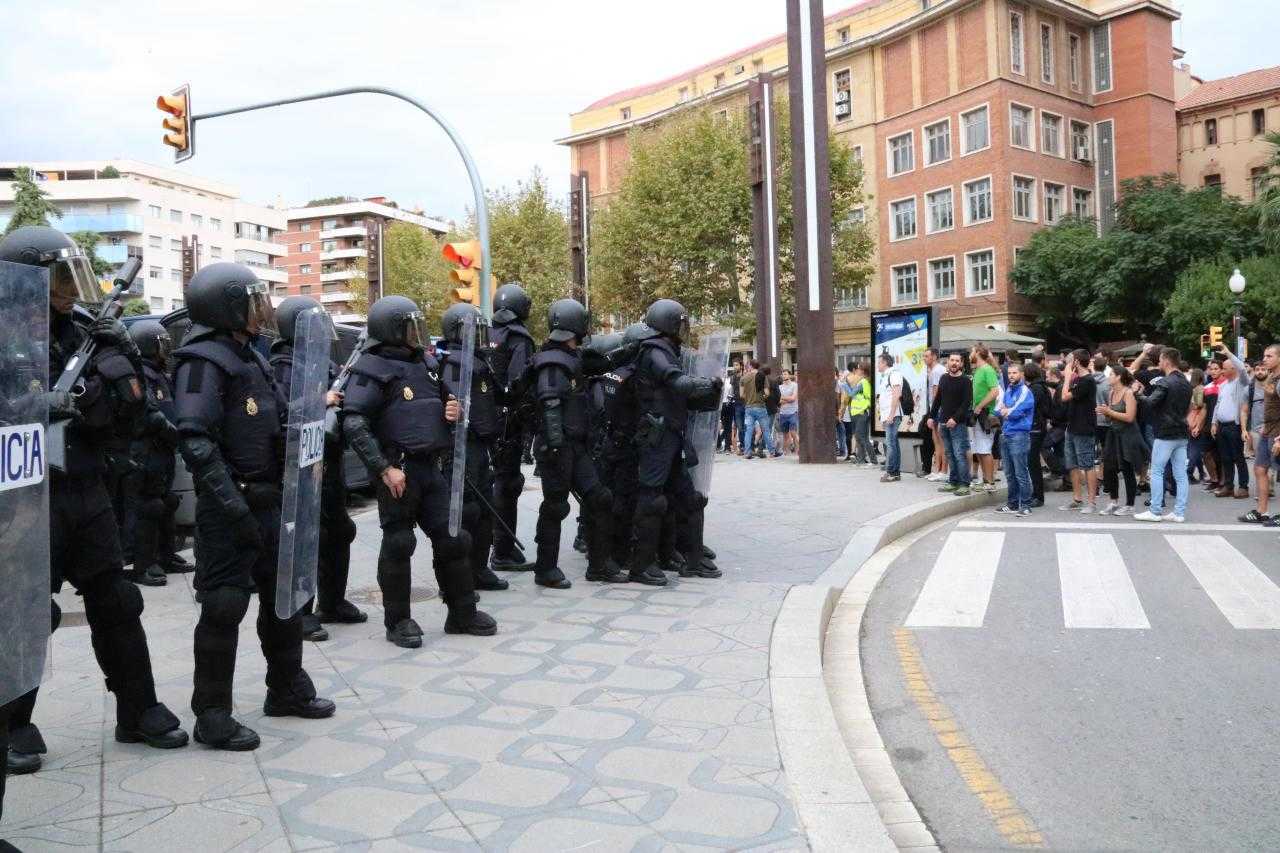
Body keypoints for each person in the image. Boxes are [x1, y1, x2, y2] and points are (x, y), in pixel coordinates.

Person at [0, 226, 189, 779]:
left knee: (118, 600)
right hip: (20, 498)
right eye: (59, 278)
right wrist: (33, 404)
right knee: (24, 615)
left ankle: (138, 709)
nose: (69, 290)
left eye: (72, 276)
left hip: (85, 487)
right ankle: (11, 724)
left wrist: (121, 351)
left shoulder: (86, 330)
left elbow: (131, 415)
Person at [173, 262, 334, 750]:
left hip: (271, 499)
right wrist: (233, 505)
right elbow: (195, 441)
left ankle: (286, 689)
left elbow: (276, 420)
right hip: (230, 506)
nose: (262, 310)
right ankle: (212, 714)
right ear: (225, 307)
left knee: (285, 599)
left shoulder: (252, 358)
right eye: (252, 300)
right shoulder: (201, 361)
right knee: (225, 605)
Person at [341, 295, 496, 646]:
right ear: (392, 330)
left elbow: (444, 402)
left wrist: (451, 410)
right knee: (399, 543)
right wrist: (383, 469)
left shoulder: (427, 363)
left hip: (431, 467)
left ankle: (462, 613)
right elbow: (354, 423)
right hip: (398, 471)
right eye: (410, 327)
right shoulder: (369, 368)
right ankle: (398, 622)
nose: (417, 333)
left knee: (454, 538)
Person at [268, 297, 368, 641]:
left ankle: (333, 601)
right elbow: (279, 414)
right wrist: (318, 400)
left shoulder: (321, 363)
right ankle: (302, 611)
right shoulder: (282, 365)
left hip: (329, 461)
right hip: (300, 464)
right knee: (308, 537)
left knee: (339, 531)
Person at [627, 299, 723, 583]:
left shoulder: (668, 350)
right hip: (657, 438)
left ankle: (693, 559)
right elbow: (678, 383)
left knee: (690, 499)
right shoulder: (654, 351)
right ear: (669, 324)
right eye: (681, 324)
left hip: (671, 435)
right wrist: (708, 384)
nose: (684, 329)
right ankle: (641, 565)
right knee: (652, 500)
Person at [526, 298, 621, 587]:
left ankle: (599, 566)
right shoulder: (552, 362)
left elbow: (601, 363)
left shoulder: (571, 357)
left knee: (599, 498)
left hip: (575, 446)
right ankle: (545, 569)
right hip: (558, 448)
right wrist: (556, 446)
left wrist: (633, 348)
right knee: (555, 507)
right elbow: (550, 403)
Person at [438, 303, 514, 593]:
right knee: (466, 512)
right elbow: (449, 403)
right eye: (475, 331)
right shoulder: (453, 363)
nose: (481, 337)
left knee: (484, 511)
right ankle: (459, 578)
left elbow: (500, 397)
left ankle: (479, 570)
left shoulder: (480, 361)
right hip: (461, 445)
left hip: (482, 444)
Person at [122, 320, 181, 588]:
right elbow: (146, 413)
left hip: (164, 449)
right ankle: (144, 564)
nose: (165, 349)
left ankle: (166, 556)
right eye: (161, 344)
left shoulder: (160, 373)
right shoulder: (140, 374)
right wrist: (169, 430)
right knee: (149, 506)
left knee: (167, 502)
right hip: (146, 451)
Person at [488, 283, 537, 572]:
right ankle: (502, 551)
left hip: (486, 419)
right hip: (509, 420)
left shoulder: (487, 332)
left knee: (497, 481)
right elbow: (520, 381)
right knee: (508, 483)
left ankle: (502, 543)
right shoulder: (519, 337)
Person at [1135, 347, 1193, 522]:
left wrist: (1137, 394)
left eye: (1160, 359)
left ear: (1166, 361)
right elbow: (1189, 407)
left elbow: (1150, 403)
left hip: (1165, 432)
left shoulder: (1165, 382)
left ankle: (1155, 510)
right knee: (1180, 474)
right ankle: (1179, 512)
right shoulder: (1186, 382)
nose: (1158, 362)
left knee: (1157, 471)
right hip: (1182, 431)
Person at [1096, 365, 1148, 515]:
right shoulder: (1112, 392)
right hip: (1114, 433)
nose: (1109, 377)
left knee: (1127, 468)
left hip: (1128, 435)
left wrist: (1109, 411)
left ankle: (1130, 505)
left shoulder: (1128, 393)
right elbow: (1112, 417)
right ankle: (1114, 502)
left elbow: (1130, 417)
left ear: (1118, 377)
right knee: (1109, 467)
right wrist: (1105, 412)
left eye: (1111, 374)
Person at [1058, 349, 1100, 513]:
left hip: (1084, 428)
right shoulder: (1079, 380)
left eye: (1071, 361)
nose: (1068, 364)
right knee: (1072, 465)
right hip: (1072, 426)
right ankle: (1077, 499)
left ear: (1076, 361)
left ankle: (1091, 502)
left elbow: (1064, 396)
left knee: (1087, 465)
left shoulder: (1087, 380)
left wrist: (1067, 376)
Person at [1242, 347, 1280, 523]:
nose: (1265, 359)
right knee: (1259, 469)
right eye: (1264, 355)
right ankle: (1262, 511)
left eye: (1269, 356)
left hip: (1278, 433)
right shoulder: (1271, 377)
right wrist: (1266, 425)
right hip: (1268, 430)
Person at [1210, 343, 1250, 498]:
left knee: (1238, 457)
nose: (1222, 371)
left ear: (1233, 369)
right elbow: (1218, 405)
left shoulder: (1241, 382)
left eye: (1225, 368)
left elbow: (1242, 368)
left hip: (1235, 426)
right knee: (1225, 458)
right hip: (1222, 426)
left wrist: (1227, 353)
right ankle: (1228, 486)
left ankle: (1243, 487)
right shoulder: (1223, 385)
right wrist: (1214, 422)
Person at [928, 353, 972, 496]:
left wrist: (955, 419)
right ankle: (953, 481)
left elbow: (966, 403)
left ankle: (964, 484)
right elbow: (938, 399)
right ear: (948, 362)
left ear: (961, 363)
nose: (954, 363)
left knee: (959, 454)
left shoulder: (966, 381)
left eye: (957, 361)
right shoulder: (944, 378)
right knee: (950, 454)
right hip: (943, 422)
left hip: (958, 424)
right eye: (952, 360)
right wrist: (931, 416)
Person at [995, 361, 1035, 514]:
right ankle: (1012, 504)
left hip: (1019, 435)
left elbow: (1015, 411)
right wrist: (1005, 411)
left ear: (1021, 374)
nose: (1011, 376)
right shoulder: (1009, 390)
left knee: (1020, 472)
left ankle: (1025, 505)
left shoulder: (1025, 391)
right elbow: (999, 410)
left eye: (1014, 373)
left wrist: (1007, 411)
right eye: (1009, 373)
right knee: (1010, 473)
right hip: (1006, 434)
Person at [969, 346, 1000, 491]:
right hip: (978, 414)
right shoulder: (978, 370)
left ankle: (990, 483)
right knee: (979, 449)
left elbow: (995, 391)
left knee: (985, 449)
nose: (970, 355)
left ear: (978, 353)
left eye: (971, 352)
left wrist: (980, 406)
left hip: (986, 414)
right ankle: (985, 479)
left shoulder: (987, 370)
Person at [1024, 362, 1051, 507]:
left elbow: (1029, 407)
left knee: (1032, 462)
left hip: (1035, 427)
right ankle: (1036, 494)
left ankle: (1038, 496)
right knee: (1032, 461)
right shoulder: (1040, 386)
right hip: (1038, 426)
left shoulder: (1036, 388)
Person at [739, 360, 775, 459]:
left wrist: (749, 398)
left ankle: (747, 452)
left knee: (748, 431)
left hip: (749, 408)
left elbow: (741, 395)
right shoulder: (762, 376)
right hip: (761, 407)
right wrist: (761, 397)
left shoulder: (743, 378)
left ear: (750, 366)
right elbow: (767, 393)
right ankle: (772, 452)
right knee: (766, 430)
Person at [877, 351, 903, 482]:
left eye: (879, 363)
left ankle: (891, 471)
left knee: (891, 444)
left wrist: (891, 415)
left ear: (885, 363)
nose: (877, 365)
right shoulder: (885, 376)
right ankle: (895, 472)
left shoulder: (894, 374)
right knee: (893, 443)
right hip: (887, 415)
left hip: (892, 415)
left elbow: (896, 394)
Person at [922, 348, 946, 481]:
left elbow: (936, 393)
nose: (924, 359)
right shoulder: (935, 370)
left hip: (939, 409)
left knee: (939, 440)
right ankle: (937, 469)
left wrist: (933, 412)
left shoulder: (937, 371)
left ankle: (941, 470)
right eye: (924, 356)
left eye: (927, 356)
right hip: (937, 409)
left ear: (934, 357)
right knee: (936, 439)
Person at [847, 362, 875, 465]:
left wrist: (844, 384)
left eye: (858, 368)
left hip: (861, 412)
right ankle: (861, 460)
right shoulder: (863, 381)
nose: (857, 370)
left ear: (863, 371)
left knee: (860, 437)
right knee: (861, 437)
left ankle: (872, 460)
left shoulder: (863, 382)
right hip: (859, 411)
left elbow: (851, 393)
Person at [777, 369, 799, 455]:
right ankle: (786, 451)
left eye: (785, 374)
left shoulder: (794, 385)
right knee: (785, 434)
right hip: (783, 413)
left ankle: (797, 450)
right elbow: (778, 401)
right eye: (783, 374)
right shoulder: (780, 387)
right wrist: (788, 399)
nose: (784, 376)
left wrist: (783, 397)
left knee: (793, 433)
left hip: (793, 412)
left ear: (789, 375)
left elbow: (793, 398)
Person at [718, 365, 737, 453]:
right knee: (720, 426)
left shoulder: (729, 381)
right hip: (721, 404)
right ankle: (720, 445)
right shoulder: (719, 381)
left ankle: (726, 447)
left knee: (727, 426)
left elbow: (732, 393)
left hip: (727, 404)